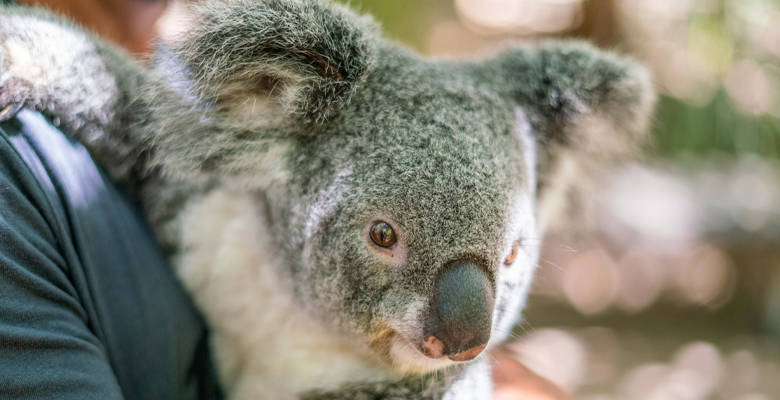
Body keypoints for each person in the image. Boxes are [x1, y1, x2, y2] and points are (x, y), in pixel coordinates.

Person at [0, 0, 568, 399]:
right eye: (385, 236)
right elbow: (134, 111)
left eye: (510, 258)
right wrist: (32, 59)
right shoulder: (232, 144)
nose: (470, 340)